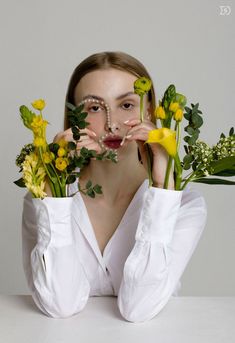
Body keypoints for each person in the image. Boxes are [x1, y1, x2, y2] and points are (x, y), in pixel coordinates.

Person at [22, 51, 207, 323]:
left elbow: (139, 309)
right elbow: (59, 304)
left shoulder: (186, 205)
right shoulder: (44, 199)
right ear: (74, 119)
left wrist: (164, 187)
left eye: (127, 105)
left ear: (149, 111)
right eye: (94, 108)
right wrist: (56, 189)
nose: (112, 125)